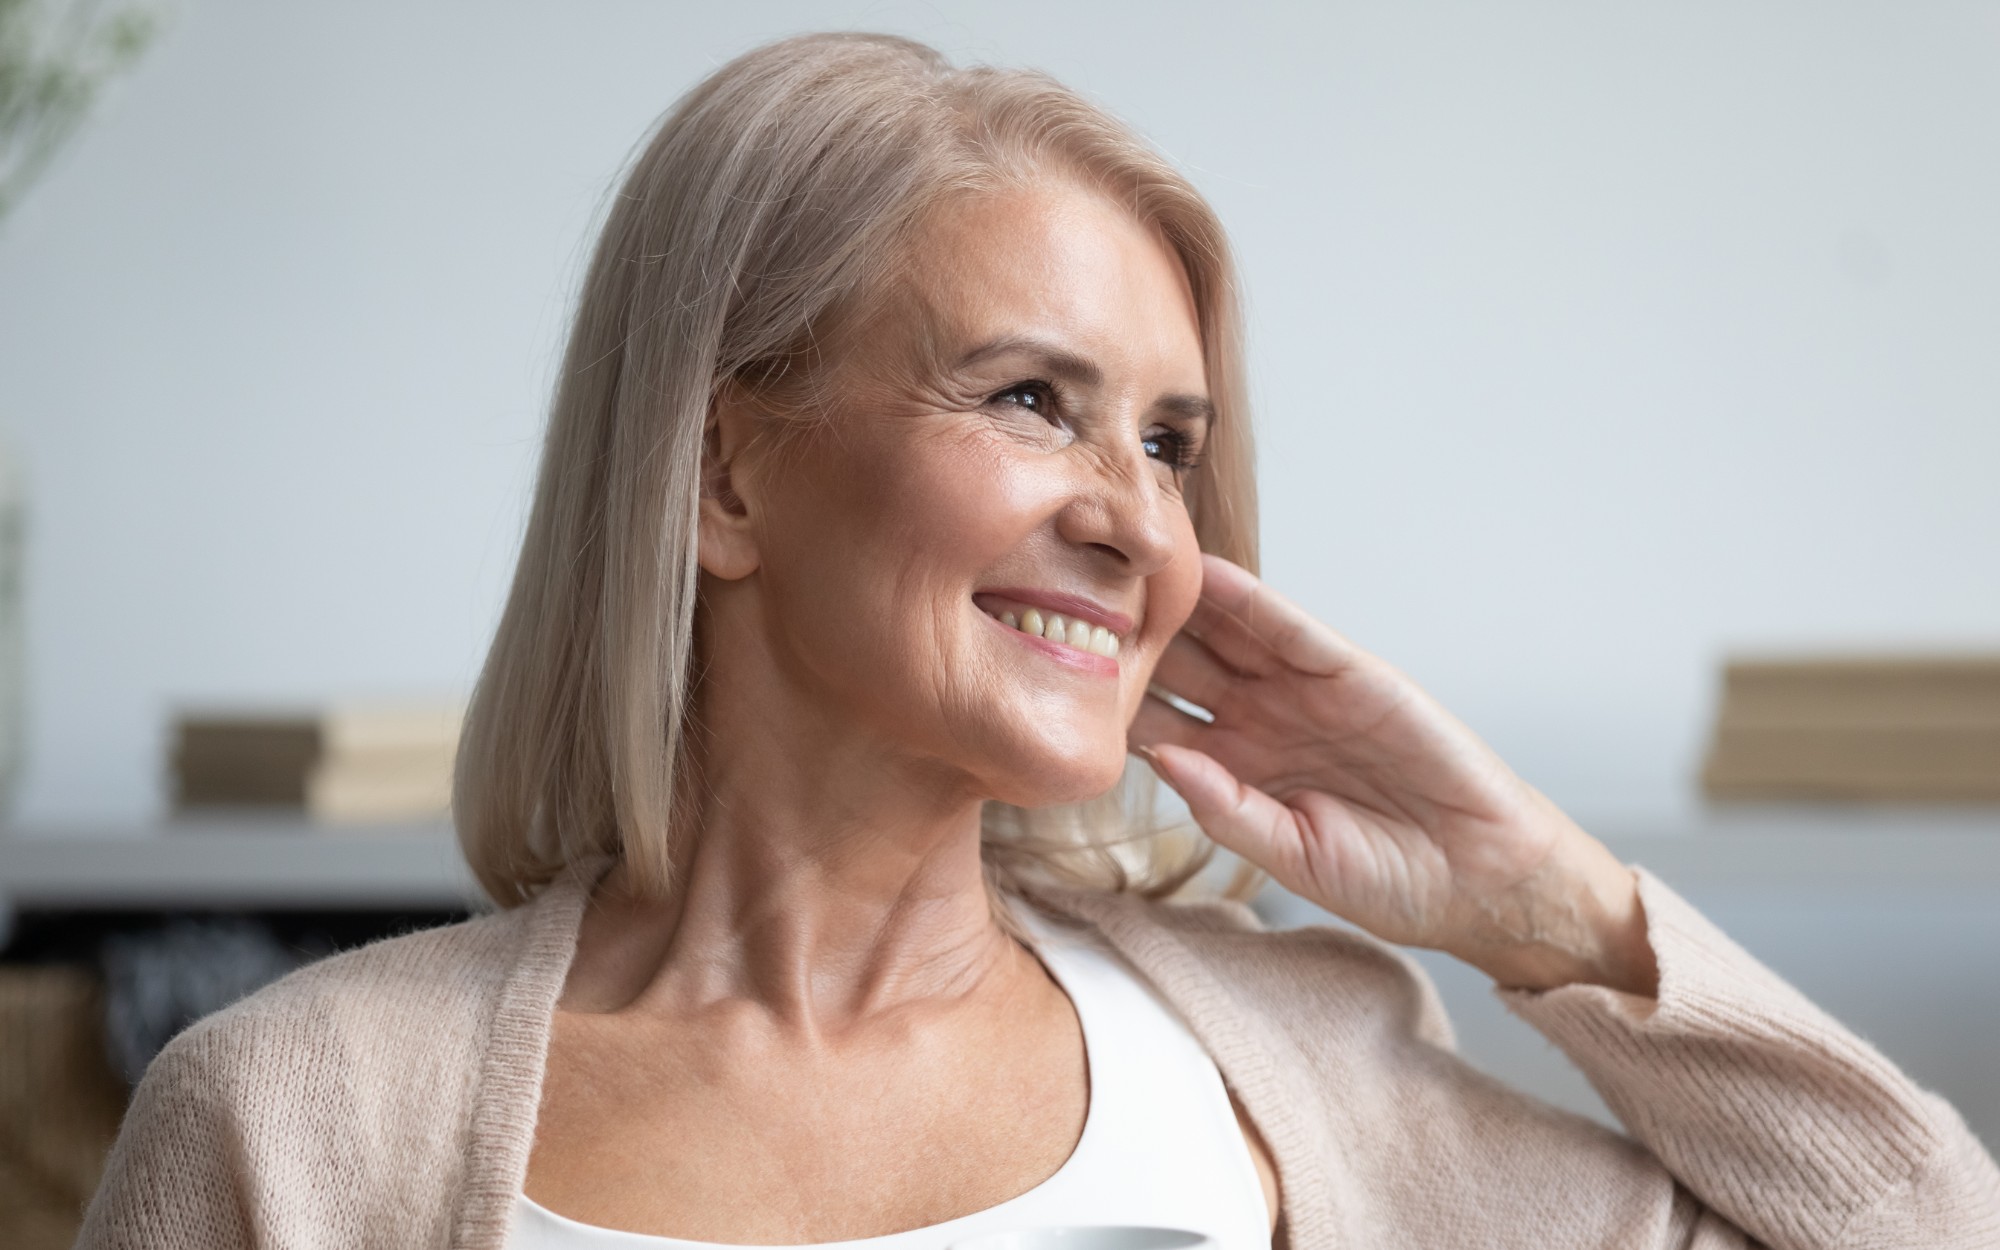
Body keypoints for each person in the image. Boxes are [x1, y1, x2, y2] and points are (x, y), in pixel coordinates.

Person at [78, 31, 1999, 1250]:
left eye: (1173, 440)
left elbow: (1922, 1225)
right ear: (723, 475)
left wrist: (1546, 906)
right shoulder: (294, 1126)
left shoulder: (1300, 1065)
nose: (1134, 517)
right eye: (1027, 400)